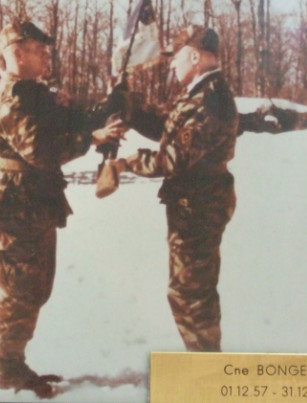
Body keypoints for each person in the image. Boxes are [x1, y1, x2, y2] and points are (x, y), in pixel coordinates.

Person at [0, 20, 124, 398]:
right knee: (18, 289)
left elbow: (64, 121)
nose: (46, 56)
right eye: (39, 50)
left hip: (32, 201)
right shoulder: (13, 95)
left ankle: (13, 361)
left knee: (33, 287)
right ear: (17, 53)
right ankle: (6, 368)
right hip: (18, 202)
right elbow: (41, 150)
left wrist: (103, 106)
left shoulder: (32, 92)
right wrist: (91, 138)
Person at [109, 25, 238, 352]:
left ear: (194, 56)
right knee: (191, 293)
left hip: (198, 207)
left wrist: (126, 163)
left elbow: (171, 159)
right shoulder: (200, 92)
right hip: (194, 205)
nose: (171, 64)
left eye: (176, 56)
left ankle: (207, 375)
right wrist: (130, 110)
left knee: (191, 296)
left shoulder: (210, 100)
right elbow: (168, 129)